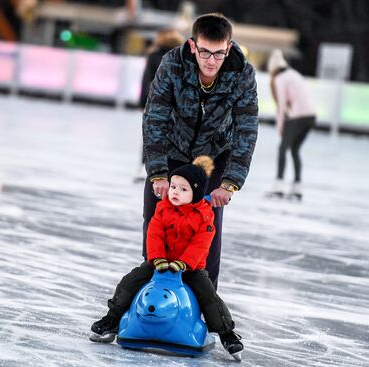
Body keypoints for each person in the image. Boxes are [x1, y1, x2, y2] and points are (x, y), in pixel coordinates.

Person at [142, 13, 258, 289]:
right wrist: (158, 172)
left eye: (219, 53)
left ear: (228, 48)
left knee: (207, 227)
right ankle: (152, 292)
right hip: (173, 149)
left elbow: (246, 128)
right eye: (204, 51)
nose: (211, 61)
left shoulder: (242, 72)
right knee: (156, 220)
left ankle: (205, 298)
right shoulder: (172, 64)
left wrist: (230, 182)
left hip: (215, 156)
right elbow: (155, 117)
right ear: (193, 45)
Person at [90, 156, 244, 360]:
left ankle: (226, 333)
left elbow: (201, 243)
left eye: (183, 189)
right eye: (173, 186)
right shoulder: (163, 208)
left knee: (207, 294)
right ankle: (112, 319)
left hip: (190, 268)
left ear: (196, 193)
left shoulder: (205, 215)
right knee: (131, 280)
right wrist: (157, 259)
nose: (175, 192)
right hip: (160, 264)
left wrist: (184, 263)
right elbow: (154, 234)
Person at [134, 29, 185, 183]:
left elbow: (146, 79)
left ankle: (145, 166)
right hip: (176, 102)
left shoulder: (154, 55)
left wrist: (143, 102)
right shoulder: (181, 56)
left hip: (156, 101)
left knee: (152, 133)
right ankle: (170, 166)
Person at [266, 49, 316, 200]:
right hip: (311, 117)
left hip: (297, 116)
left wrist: (280, 126)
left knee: (282, 149)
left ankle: (279, 185)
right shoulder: (294, 74)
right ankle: (297, 187)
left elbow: (281, 105)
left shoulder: (280, 79)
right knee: (295, 150)